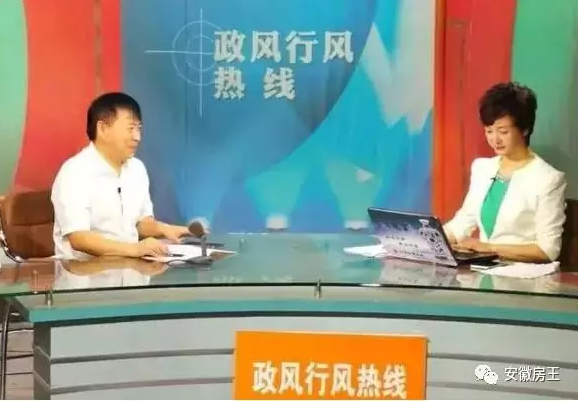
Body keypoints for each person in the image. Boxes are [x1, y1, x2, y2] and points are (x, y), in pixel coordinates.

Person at [51, 92, 207, 260]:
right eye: (130, 129)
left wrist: (165, 229)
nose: (137, 137)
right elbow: (79, 238)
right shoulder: (75, 172)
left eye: (139, 129)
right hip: (81, 271)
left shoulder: (137, 169)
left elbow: (141, 223)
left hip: (129, 266)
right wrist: (134, 249)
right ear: (102, 128)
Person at [443, 82, 567, 263]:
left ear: (524, 129)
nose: (495, 139)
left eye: (503, 131)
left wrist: (489, 248)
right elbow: (462, 223)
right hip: (483, 269)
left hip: (524, 274)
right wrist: (431, 238)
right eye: (489, 131)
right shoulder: (482, 168)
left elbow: (548, 250)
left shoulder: (548, 179)